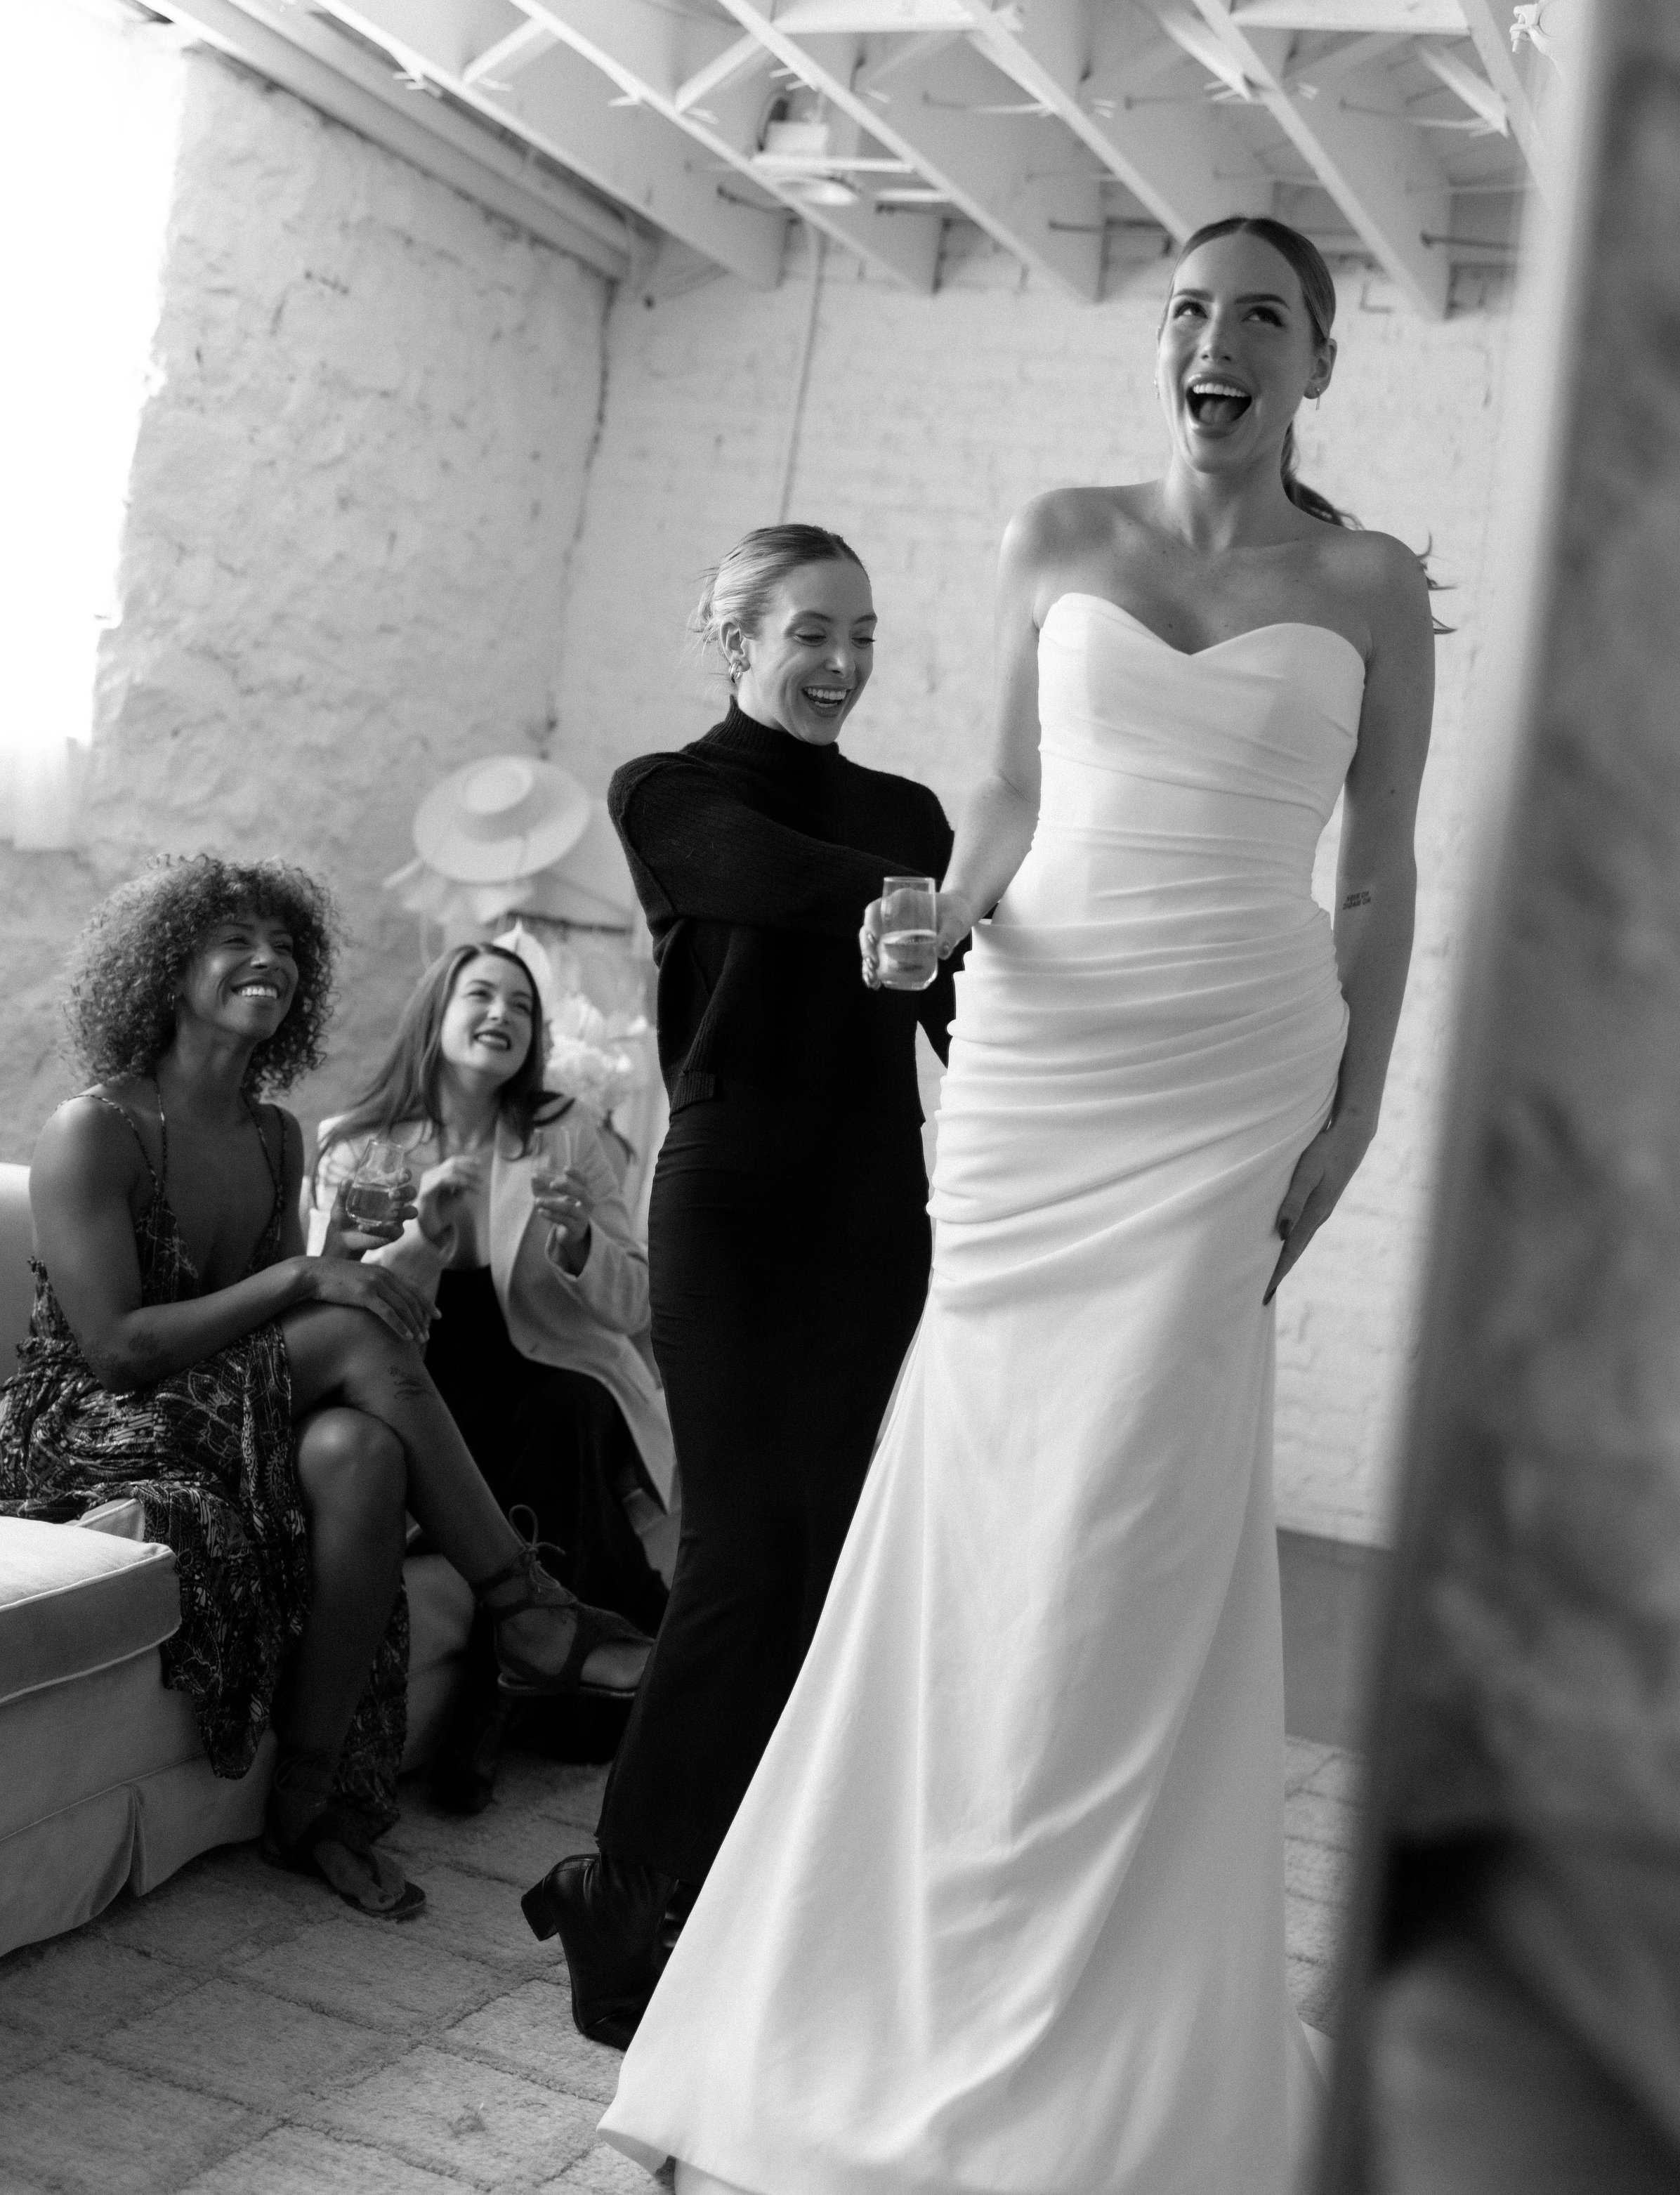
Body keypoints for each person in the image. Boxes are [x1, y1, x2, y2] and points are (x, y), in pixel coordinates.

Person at [595, 215, 1437, 2194]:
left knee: (1133, 1521)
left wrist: (1359, 1099)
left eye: (1257, 315)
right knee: (977, 1513)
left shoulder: (1373, 584)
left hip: (1232, 1072)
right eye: (1184, 311)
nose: (1211, 340)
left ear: (1314, 361)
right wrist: (940, 915)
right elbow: (1001, 801)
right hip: (1043, 1075)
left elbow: (1377, 873)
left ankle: (1109, 2021)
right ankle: (888, 1981)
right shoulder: (1057, 529)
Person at [0, 856, 652, 1922]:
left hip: (220, 1404)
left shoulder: (275, 1134)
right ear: (167, 968)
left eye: (287, 945)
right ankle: (526, 1609)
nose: (271, 960)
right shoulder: (94, 1129)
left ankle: (312, 1807)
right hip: (89, 1426)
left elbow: (258, 1327)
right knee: (346, 1327)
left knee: (362, 1455)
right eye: (237, 941)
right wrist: (307, 1272)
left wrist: (356, 1257)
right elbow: (118, 1349)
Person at [522, 523, 963, 2046]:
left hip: (871, 1211)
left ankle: (737, 1886)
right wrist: (931, 895)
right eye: (809, 633)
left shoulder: (907, 808)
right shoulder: (669, 792)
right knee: (734, 1556)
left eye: (863, 635)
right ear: (736, 641)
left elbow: (960, 1007)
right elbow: (768, 882)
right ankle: (619, 1879)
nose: (841, 663)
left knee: (826, 1561)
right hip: (728, 1196)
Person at [315, 940, 674, 1814]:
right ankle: (597, 1649)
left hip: (551, 1374)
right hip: (415, 1378)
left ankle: (488, 1694)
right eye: (481, 995)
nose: (502, 1015)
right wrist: (423, 1237)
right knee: (529, 1433)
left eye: (521, 1006)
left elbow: (633, 1304)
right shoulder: (357, 1146)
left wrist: (582, 1241)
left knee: (566, 1412)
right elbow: (333, 1303)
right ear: (436, 1015)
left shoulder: (568, 1129)